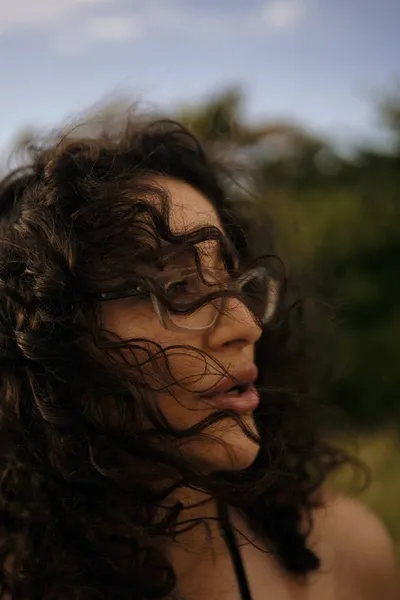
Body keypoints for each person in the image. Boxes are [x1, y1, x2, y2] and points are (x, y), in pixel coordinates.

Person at [0, 111, 398, 600]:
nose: (246, 325)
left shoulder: (344, 558)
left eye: (234, 281)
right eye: (176, 288)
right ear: (50, 337)